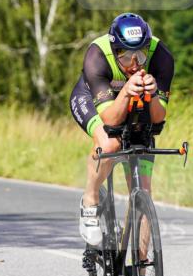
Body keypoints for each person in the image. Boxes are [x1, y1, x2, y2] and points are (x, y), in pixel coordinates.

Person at [69, 13, 174, 247]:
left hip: (137, 103)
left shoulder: (162, 57)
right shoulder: (97, 55)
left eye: (140, 54)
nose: (135, 63)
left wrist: (154, 94)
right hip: (92, 101)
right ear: (115, 50)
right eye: (126, 56)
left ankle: (143, 272)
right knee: (110, 143)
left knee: (143, 191)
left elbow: (158, 119)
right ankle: (90, 200)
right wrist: (126, 90)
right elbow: (110, 119)